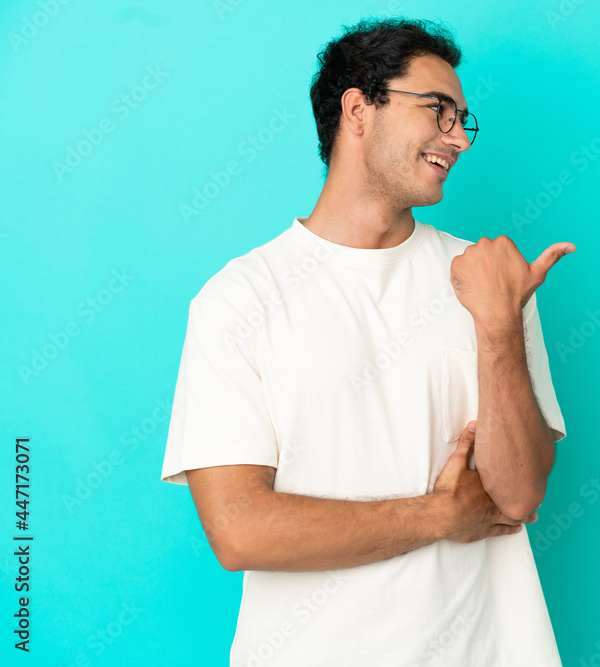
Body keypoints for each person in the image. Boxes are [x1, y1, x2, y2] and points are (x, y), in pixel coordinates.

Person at [159, 16, 576, 667]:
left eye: (465, 120)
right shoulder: (239, 299)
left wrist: (498, 325)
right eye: (439, 111)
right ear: (359, 109)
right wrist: (438, 516)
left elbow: (519, 495)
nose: (459, 139)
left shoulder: (490, 279)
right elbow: (239, 529)